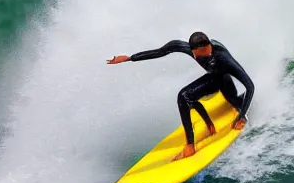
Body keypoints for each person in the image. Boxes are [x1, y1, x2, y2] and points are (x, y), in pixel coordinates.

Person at [106, 31, 254, 160]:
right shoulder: (183, 47)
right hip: (213, 78)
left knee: (234, 101)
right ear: (193, 51)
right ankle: (192, 143)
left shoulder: (222, 58)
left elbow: (249, 85)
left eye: (209, 50)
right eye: (203, 53)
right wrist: (129, 58)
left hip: (223, 79)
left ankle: (242, 109)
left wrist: (241, 116)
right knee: (184, 96)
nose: (208, 54)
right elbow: (159, 52)